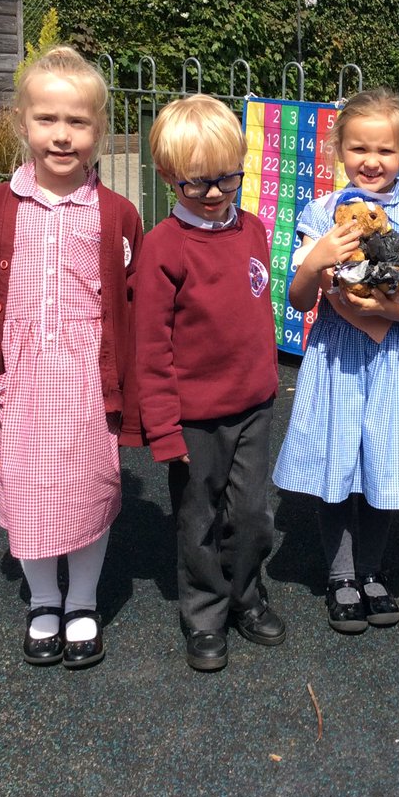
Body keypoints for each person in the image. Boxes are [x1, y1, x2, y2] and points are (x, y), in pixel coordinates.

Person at [0, 46, 143, 669]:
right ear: (22, 122)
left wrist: (132, 390)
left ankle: (82, 601)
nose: (62, 135)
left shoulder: (117, 214)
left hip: (87, 378)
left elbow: (131, 307)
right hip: (20, 379)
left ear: (99, 129)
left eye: (78, 122)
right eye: (47, 119)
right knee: (29, 492)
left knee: (89, 490)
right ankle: (43, 600)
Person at [273, 88, 399, 634]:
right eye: (359, 148)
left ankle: (371, 570)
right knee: (338, 463)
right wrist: (316, 260)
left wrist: (383, 306)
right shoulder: (321, 212)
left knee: (383, 466)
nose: (372, 161)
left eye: (386, 150)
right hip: (337, 356)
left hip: (396, 358)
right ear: (338, 150)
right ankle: (341, 575)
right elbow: (301, 299)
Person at [133, 95, 284, 671]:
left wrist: (266, 381)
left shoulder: (254, 229)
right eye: (197, 183)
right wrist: (164, 428)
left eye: (228, 177)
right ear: (167, 176)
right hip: (194, 418)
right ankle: (204, 612)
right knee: (198, 519)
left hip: (255, 405)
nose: (216, 192)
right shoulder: (163, 247)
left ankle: (245, 593)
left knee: (251, 515)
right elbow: (151, 347)